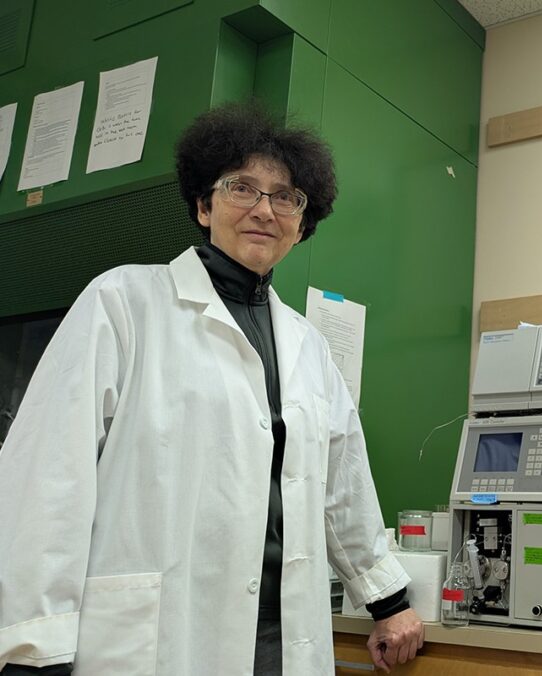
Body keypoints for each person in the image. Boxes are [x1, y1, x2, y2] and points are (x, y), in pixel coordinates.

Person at [0, 102, 424, 675]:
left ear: (303, 222)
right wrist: (33, 646)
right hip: (165, 634)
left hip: (282, 638)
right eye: (241, 188)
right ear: (204, 204)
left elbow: (341, 481)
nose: (263, 209)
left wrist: (388, 600)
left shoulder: (309, 347)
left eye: (285, 197)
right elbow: (47, 477)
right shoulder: (122, 304)